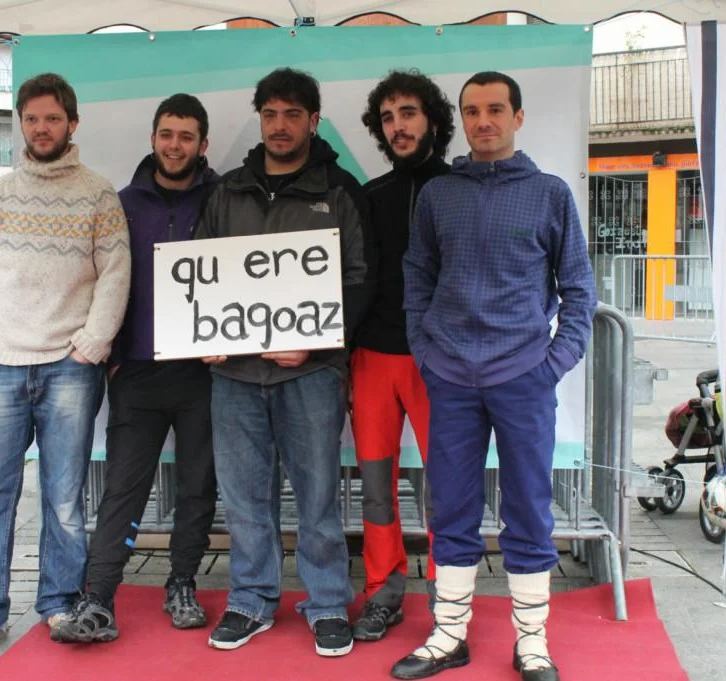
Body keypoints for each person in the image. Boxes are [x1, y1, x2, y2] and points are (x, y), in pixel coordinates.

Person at [391, 71, 597, 681]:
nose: (484, 121)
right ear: (462, 119)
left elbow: (578, 289)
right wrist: (425, 351)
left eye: (496, 109)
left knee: (528, 506)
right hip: (450, 376)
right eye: (473, 110)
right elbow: (417, 276)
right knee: (451, 505)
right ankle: (449, 633)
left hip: (523, 376)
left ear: (518, 117)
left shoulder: (550, 194)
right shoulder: (439, 195)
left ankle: (532, 641)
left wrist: (553, 363)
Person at [0, 72, 131, 657]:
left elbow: (115, 275)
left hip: (70, 369)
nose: (42, 128)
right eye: (32, 119)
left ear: (72, 123)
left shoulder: (98, 195)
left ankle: (59, 603)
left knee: (64, 498)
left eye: (52, 118)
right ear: (21, 124)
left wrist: (91, 346)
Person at [196, 67, 371, 658]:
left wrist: (316, 345)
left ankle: (327, 604)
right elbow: (200, 273)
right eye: (270, 114)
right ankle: (251, 599)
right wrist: (202, 331)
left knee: (318, 496)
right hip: (234, 374)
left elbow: (358, 281)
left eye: (292, 114)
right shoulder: (227, 191)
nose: (279, 125)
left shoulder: (340, 192)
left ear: (313, 121)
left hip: (310, 373)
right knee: (245, 497)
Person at [51, 93, 220, 643]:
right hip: (138, 372)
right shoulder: (119, 203)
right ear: (152, 138)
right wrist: (114, 357)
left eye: (186, 136)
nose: (175, 145)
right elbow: (95, 281)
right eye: (167, 134)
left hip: (203, 372)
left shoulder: (223, 199)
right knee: (123, 487)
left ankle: (182, 583)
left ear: (203, 144)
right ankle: (98, 596)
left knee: (197, 486)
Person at [350, 70, 453, 643]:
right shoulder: (370, 196)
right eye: (388, 118)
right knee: (374, 485)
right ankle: (382, 590)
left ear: (432, 120)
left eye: (408, 113)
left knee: (446, 484)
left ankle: (448, 593)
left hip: (440, 363)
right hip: (373, 359)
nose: (398, 126)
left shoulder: (460, 189)